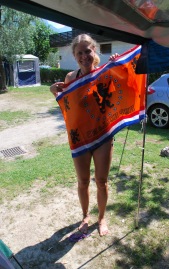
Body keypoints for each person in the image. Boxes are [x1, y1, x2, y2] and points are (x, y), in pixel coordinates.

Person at [50, 34, 119, 236]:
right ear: (74, 55)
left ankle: (102, 218)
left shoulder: (105, 73)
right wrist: (53, 90)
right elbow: (69, 106)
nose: (84, 56)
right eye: (79, 52)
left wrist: (117, 68)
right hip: (80, 138)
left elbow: (116, 98)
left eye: (87, 51)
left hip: (102, 136)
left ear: (94, 51)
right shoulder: (71, 78)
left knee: (101, 181)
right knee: (83, 182)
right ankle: (85, 216)